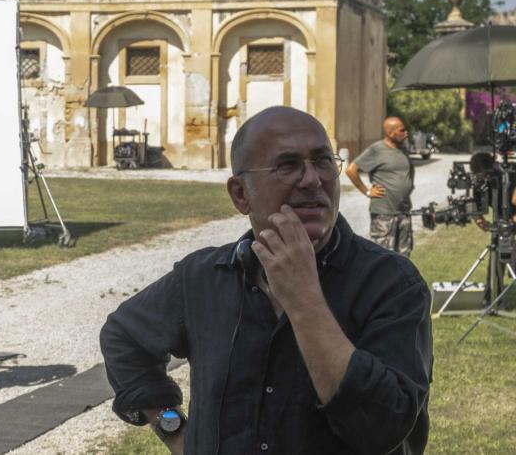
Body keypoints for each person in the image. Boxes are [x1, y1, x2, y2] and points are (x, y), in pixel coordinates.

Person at [99, 106, 432, 454]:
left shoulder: (391, 282)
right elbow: (123, 337)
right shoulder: (205, 276)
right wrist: (176, 431)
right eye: (287, 165)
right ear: (241, 194)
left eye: (322, 161)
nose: (313, 179)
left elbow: (384, 428)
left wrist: (304, 298)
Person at [345, 116, 415, 256]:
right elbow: (351, 170)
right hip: (384, 214)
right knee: (382, 257)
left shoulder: (403, 149)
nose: (406, 133)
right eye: (402, 130)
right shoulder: (377, 149)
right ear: (390, 133)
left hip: (403, 212)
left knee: (404, 257)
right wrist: (368, 192)